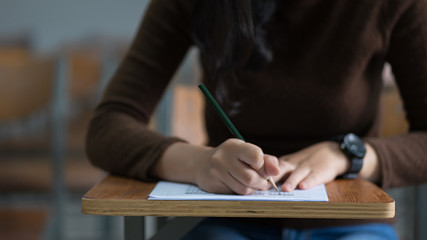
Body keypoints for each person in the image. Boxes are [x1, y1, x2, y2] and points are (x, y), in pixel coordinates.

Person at [86, 0, 427, 239]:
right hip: (223, 221)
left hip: (350, 224)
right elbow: (108, 125)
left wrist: (349, 155)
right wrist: (198, 163)